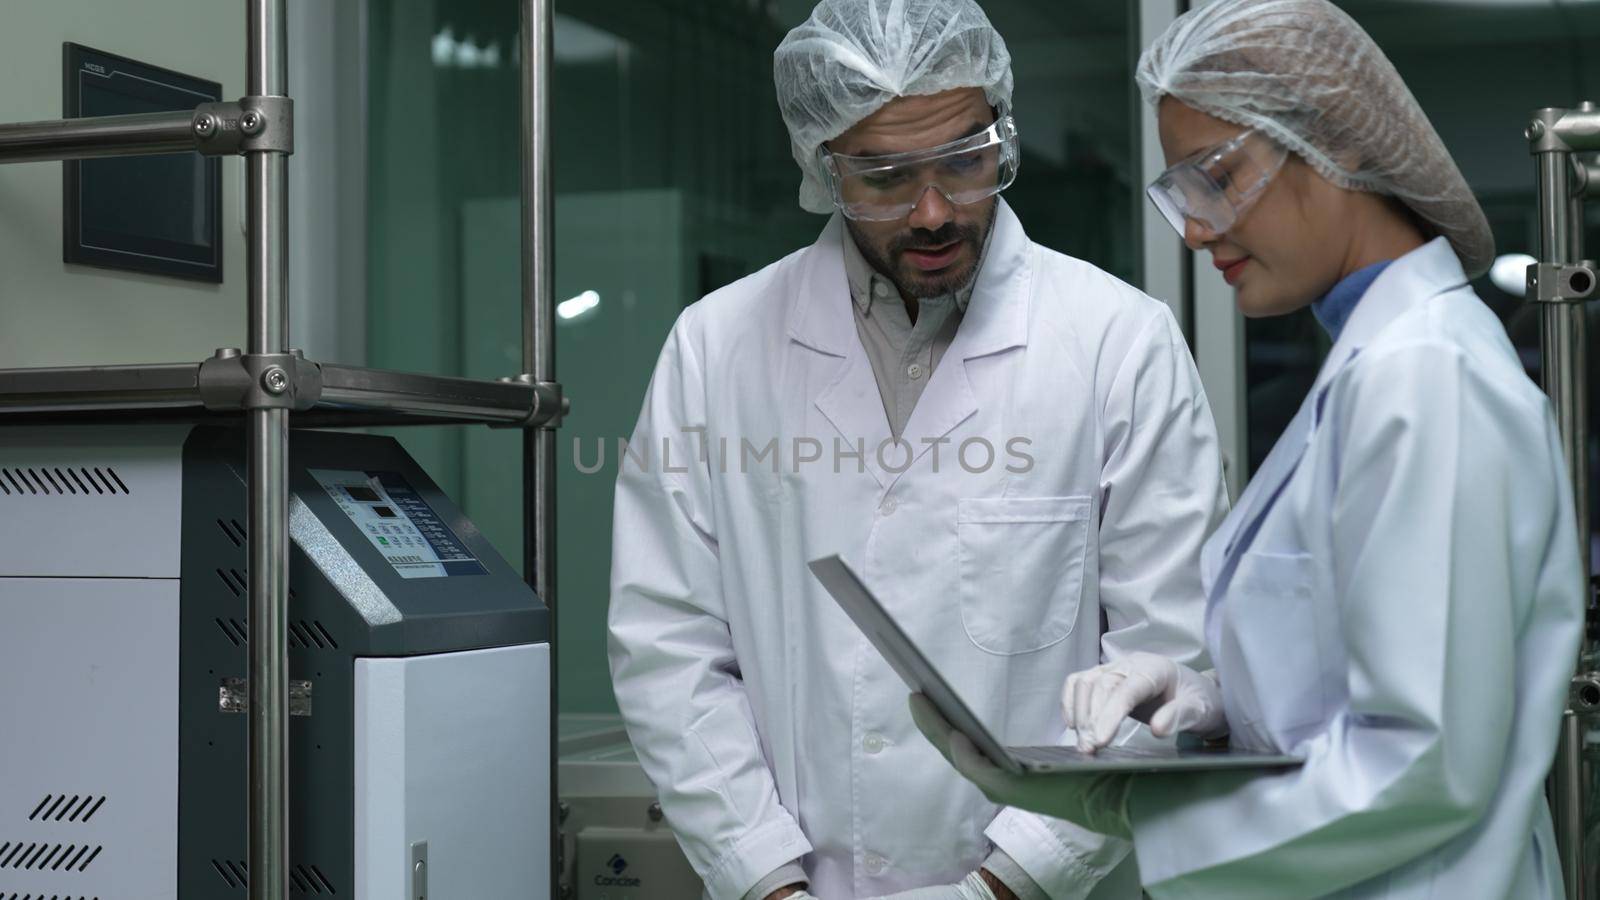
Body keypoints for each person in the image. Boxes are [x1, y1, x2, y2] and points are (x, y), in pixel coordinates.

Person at [909, 1, 1586, 898]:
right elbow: (1369, 673)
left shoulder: (1426, 381)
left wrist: (1127, 809)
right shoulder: (1372, 369)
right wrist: (1207, 699)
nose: (1192, 229)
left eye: (1217, 178)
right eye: (1180, 191)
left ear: (1339, 147)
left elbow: (1422, 767)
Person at [605, 1, 1231, 898]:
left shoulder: (1118, 344)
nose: (935, 211)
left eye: (965, 162)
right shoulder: (717, 348)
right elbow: (669, 641)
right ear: (824, 168)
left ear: (1002, 136)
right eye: (887, 178)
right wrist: (764, 878)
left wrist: (1008, 884)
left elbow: (1166, 650)